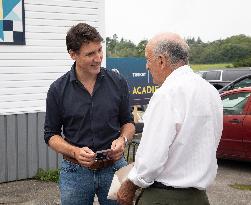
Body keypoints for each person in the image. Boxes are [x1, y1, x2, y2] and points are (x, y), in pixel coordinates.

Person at [117, 33, 223, 205]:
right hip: (199, 198)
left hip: (164, 197)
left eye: (148, 59)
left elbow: (151, 159)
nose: (146, 66)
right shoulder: (210, 91)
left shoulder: (166, 94)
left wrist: (130, 185)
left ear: (161, 60)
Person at [44, 23, 135, 205]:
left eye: (99, 50)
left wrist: (123, 140)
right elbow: (50, 135)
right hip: (75, 172)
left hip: (115, 168)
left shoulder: (118, 82)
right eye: (90, 54)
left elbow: (128, 123)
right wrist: (75, 151)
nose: (98, 58)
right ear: (73, 54)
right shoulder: (57, 89)